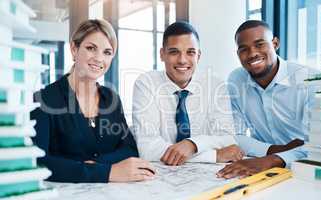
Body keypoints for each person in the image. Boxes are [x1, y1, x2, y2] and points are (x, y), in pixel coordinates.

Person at [31, 19, 155, 183]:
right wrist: (106, 172)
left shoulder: (111, 99)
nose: (99, 58)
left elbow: (129, 149)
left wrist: (98, 165)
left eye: (107, 52)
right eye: (91, 48)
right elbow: (38, 162)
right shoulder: (44, 99)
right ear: (74, 49)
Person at [132, 21, 244, 166]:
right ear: (162, 54)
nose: (182, 60)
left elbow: (227, 139)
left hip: (205, 176)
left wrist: (192, 145)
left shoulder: (215, 84)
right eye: (174, 52)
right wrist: (214, 155)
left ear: (198, 55)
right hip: (160, 173)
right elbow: (148, 149)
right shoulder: (146, 83)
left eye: (190, 52)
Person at [217, 20, 316, 179]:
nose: (252, 54)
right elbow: (234, 135)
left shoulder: (309, 81)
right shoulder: (236, 80)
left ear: (275, 43)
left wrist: (273, 159)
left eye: (259, 44)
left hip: (306, 169)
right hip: (257, 167)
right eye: (244, 49)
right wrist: (274, 150)